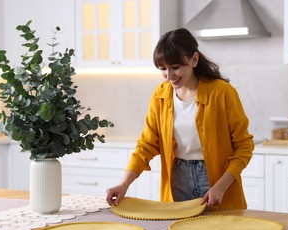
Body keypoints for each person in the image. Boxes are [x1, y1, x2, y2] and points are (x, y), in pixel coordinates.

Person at [106, 28, 254, 210]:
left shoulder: (222, 92)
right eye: (162, 69)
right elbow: (146, 145)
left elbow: (244, 146)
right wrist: (124, 184)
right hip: (177, 177)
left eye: (175, 67)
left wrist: (221, 187)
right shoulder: (161, 95)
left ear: (194, 60)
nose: (169, 76)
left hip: (216, 179)